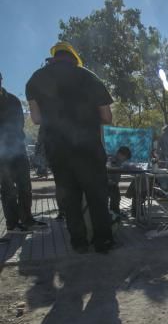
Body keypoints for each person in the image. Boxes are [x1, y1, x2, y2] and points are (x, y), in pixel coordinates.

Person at [26, 42, 114, 253]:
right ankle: (102, 242)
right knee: (96, 196)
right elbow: (107, 117)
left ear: (54, 57)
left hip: (58, 150)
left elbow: (36, 119)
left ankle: (79, 242)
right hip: (88, 149)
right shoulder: (89, 77)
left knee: (70, 198)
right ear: (74, 58)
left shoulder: (36, 79)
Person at [0, 71, 46, 242]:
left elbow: (19, 122)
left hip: (17, 149)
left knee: (25, 186)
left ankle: (27, 219)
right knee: (8, 190)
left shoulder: (12, 99)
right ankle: (12, 224)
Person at [107, 145, 132, 216]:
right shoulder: (111, 159)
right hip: (107, 184)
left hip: (113, 184)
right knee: (115, 196)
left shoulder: (119, 162)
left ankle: (115, 213)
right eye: (125, 158)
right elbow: (107, 170)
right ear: (120, 154)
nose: (124, 160)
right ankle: (114, 213)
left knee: (116, 197)